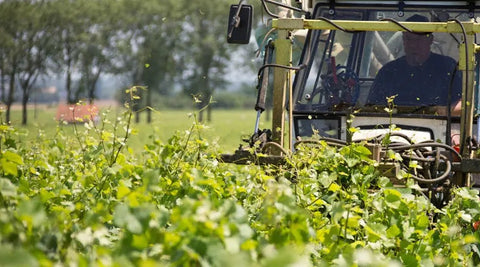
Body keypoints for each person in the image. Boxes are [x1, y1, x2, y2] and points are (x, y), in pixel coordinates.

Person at [366, 14, 462, 115]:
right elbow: (371, 107)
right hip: (392, 126)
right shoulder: (389, 72)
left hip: (440, 126)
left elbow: (466, 104)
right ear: (403, 40)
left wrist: (441, 111)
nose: (413, 45)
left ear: (430, 40)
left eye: (418, 40)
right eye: (409, 39)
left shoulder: (447, 68)